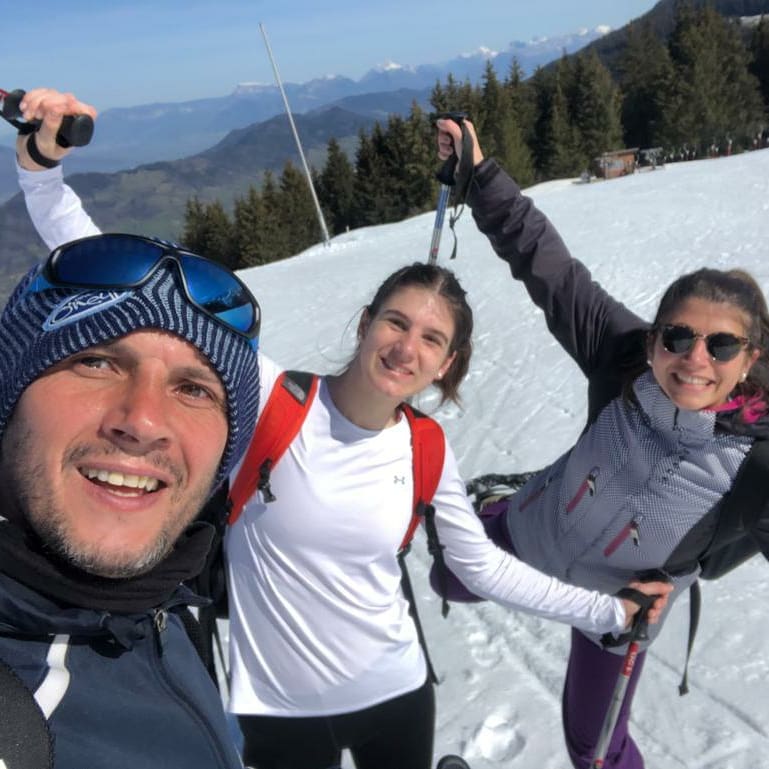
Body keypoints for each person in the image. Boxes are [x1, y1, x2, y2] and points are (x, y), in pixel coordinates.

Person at [13, 88, 670, 769]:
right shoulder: (270, 398)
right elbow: (144, 287)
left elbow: (483, 567)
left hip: (397, 693)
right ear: (364, 323)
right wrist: (42, 173)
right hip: (274, 710)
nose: (405, 346)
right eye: (395, 321)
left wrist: (609, 613)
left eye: (430, 339)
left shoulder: (425, 448)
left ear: (445, 365)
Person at [436, 117, 769, 769]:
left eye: (720, 345)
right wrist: (478, 173)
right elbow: (548, 266)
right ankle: (503, 504)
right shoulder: (621, 358)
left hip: (615, 608)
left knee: (593, 751)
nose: (694, 358)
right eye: (676, 335)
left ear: (748, 358)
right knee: (448, 576)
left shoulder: (755, 462)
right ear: (653, 338)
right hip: (533, 529)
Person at [0, 118, 262, 769]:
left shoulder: (160, 597)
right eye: (95, 363)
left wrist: (40, 172)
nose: (142, 420)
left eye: (195, 389)